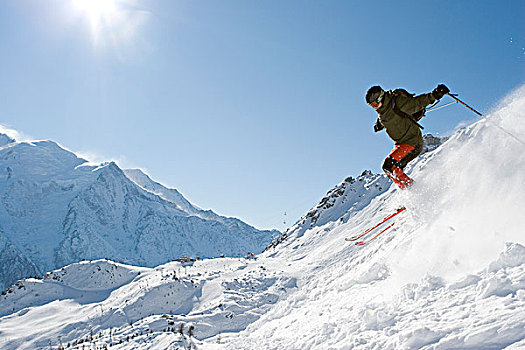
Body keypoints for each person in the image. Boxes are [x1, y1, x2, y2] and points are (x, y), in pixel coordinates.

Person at [366, 84, 450, 189]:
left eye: (374, 104)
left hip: (412, 142)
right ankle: (408, 192)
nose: (375, 108)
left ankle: (413, 190)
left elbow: (417, 103)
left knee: (389, 166)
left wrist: (435, 94)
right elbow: (390, 117)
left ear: (381, 97)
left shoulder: (397, 103)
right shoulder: (382, 112)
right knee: (390, 168)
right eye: (372, 106)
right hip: (400, 144)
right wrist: (380, 124)